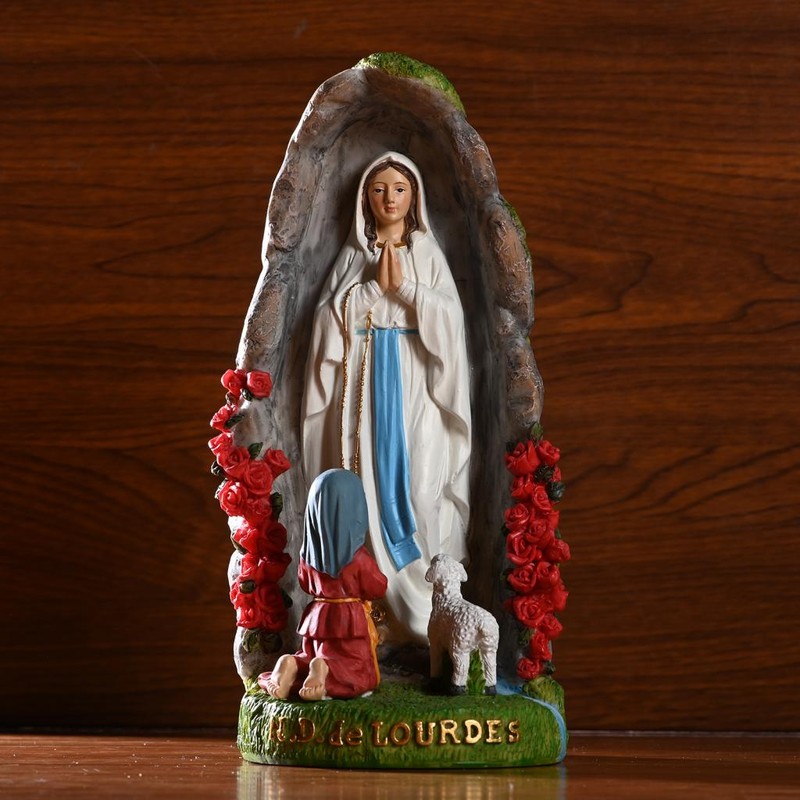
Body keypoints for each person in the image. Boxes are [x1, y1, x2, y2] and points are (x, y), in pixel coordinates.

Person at [301, 152, 471, 645]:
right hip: (366, 382)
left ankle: (429, 605)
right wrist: (373, 289)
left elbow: (451, 322)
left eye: (399, 189)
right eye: (379, 189)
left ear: (414, 197)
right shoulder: (355, 255)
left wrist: (410, 290)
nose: (390, 199)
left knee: (421, 488)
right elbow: (328, 320)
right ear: (366, 198)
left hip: (416, 382)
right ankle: (379, 615)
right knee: (366, 488)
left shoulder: (427, 253)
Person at [258, 469, 387, 700]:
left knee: (311, 653)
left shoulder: (308, 556)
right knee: (356, 669)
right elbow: (378, 587)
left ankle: (291, 663)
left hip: (317, 618)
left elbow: (305, 583)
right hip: (349, 620)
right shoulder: (358, 558)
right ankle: (324, 669)